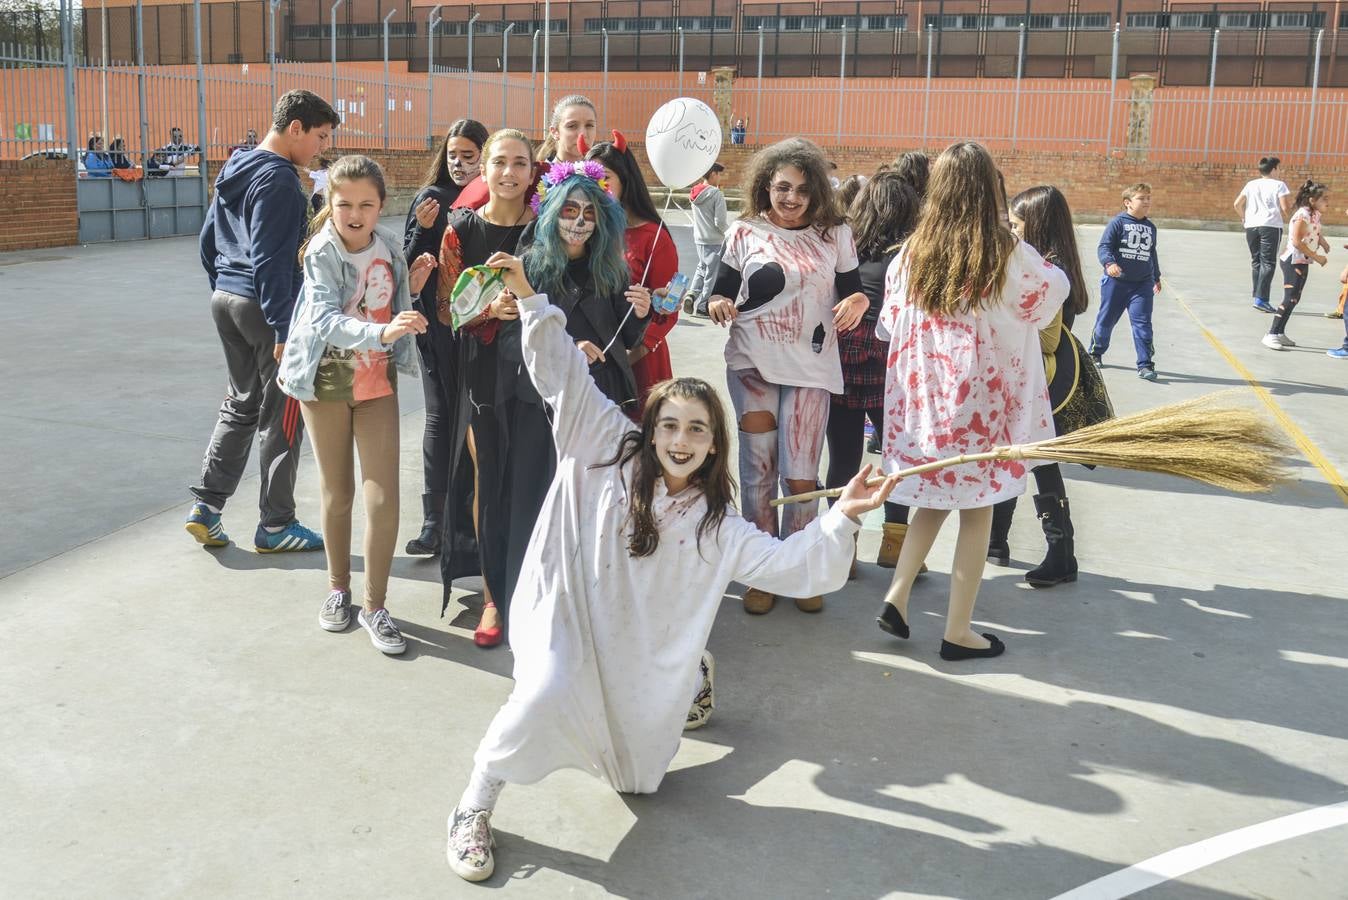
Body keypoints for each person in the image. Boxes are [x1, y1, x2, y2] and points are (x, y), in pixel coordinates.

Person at [444, 249, 900, 883]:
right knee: (542, 690)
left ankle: (686, 675)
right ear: (650, 428)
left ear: (716, 444)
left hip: (641, 645)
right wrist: (528, 298)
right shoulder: (606, 444)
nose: (680, 441)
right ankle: (475, 802)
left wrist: (845, 515)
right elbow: (561, 377)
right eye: (670, 426)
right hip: (569, 612)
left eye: (696, 431)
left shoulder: (718, 525)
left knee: (639, 781)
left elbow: (794, 567)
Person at [874, 142, 1069, 660]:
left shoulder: (912, 254)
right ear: (989, 189)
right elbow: (1052, 295)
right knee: (977, 513)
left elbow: (890, 325)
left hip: (927, 408)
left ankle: (897, 596)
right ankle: (958, 630)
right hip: (985, 410)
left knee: (935, 500)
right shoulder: (1006, 252)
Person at [465, 161, 651, 645]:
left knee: (594, 509)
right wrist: (566, 350)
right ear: (551, 212)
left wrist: (643, 312)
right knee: (532, 502)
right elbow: (508, 342)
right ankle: (510, 604)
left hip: (598, 407)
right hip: (537, 408)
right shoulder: (527, 264)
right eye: (569, 209)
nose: (579, 220)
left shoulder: (610, 267)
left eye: (589, 212)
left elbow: (625, 338)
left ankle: (587, 612)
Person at [277, 155, 436, 655]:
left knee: (383, 496)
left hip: (375, 381)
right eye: (344, 203)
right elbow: (324, 317)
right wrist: (381, 331)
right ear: (330, 203)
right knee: (337, 492)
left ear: (381, 206)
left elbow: (389, 297)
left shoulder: (389, 244)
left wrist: (415, 285)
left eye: (366, 204)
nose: (354, 213)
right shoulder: (321, 252)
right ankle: (338, 589)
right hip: (324, 381)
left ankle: (375, 604)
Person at [706, 138, 869, 615]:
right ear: (766, 187)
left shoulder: (835, 234)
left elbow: (854, 291)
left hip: (811, 370)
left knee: (800, 475)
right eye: (781, 188)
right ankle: (761, 570)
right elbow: (720, 290)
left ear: (816, 191)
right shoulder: (744, 231)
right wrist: (717, 302)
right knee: (757, 472)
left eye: (800, 189)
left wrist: (858, 303)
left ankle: (799, 569)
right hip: (752, 365)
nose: (791, 198)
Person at [187, 89, 339, 553]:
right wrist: (281, 327)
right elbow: (272, 261)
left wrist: (225, 285)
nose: (321, 148)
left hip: (226, 298)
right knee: (282, 415)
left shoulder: (237, 166)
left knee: (241, 403)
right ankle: (276, 524)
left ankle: (207, 508)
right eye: (319, 136)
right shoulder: (277, 181)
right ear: (295, 128)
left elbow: (207, 241)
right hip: (263, 307)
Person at [434, 128, 536, 647]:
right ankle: (495, 592)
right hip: (483, 369)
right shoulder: (459, 231)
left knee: (531, 479)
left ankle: (531, 584)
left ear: (534, 170)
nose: (509, 172)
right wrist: (487, 311)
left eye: (520, 162)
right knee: (488, 477)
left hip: (539, 373)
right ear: (484, 169)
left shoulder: (547, 231)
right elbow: (446, 309)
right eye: (499, 161)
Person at [989, 185, 1104, 586]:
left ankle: (1059, 552)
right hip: (1040, 379)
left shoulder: (1048, 268)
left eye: (1018, 224)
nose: (1013, 232)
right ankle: (1000, 542)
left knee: (1037, 461)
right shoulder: (1053, 263)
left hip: (1042, 381)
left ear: (1036, 224)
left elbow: (1048, 338)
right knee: (1018, 455)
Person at [401, 119, 490, 559]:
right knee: (440, 415)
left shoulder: (496, 198)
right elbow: (407, 265)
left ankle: (471, 518)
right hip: (437, 328)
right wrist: (419, 227)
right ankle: (433, 521)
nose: (459, 163)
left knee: (478, 420)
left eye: (469, 155)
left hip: (485, 327)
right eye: (453, 154)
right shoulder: (431, 199)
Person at [825, 172, 919, 573]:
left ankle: (842, 547)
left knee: (844, 456)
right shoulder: (910, 252)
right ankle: (894, 545)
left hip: (842, 360)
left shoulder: (844, 245)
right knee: (898, 456)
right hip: (890, 364)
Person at [584, 131, 680, 413]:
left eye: (605, 178)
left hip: (638, 361)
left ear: (625, 178)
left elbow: (668, 307)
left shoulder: (654, 237)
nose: (597, 187)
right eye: (590, 180)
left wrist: (633, 352)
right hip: (590, 358)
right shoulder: (584, 230)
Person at [1089, 183, 1163, 381]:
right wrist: (1109, 263)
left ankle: (1145, 364)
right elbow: (1104, 246)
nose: (1147, 201)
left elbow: (1151, 253)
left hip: (1142, 285)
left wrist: (1156, 276)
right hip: (1116, 283)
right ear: (1128, 203)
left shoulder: (1150, 227)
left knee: (1142, 324)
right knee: (1106, 320)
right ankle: (1096, 352)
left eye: (1148, 198)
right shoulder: (1117, 223)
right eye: (1141, 198)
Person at [1262, 180, 1330, 352]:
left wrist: (1322, 242)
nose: (1327, 202)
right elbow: (1296, 241)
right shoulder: (1302, 214)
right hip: (1293, 260)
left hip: (1303, 260)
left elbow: (1315, 230)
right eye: (1324, 199)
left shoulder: (1314, 214)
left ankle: (1280, 332)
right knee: (1290, 297)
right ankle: (1271, 334)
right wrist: (1317, 257)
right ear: (1312, 200)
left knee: (1295, 298)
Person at [1235, 157, 1293, 313]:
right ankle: (1262, 299)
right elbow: (1285, 208)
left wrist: (1244, 218)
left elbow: (1237, 204)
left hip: (1251, 226)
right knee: (1268, 262)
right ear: (1273, 169)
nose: (1279, 172)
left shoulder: (1251, 184)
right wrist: (1290, 214)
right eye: (1279, 168)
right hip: (1270, 226)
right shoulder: (1279, 185)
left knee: (1256, 261)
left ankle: (1257, 296)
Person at [686, 162, 728, 319]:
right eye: (719, 174)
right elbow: (720, 222)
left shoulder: (694, 193)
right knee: (712, 273)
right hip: (714, 239)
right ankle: (703, 306)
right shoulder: (716, 194)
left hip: (699, 238)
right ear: (713, 175)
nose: (720, 177)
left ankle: (692, 294)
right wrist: (729, 233)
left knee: (702, 267)